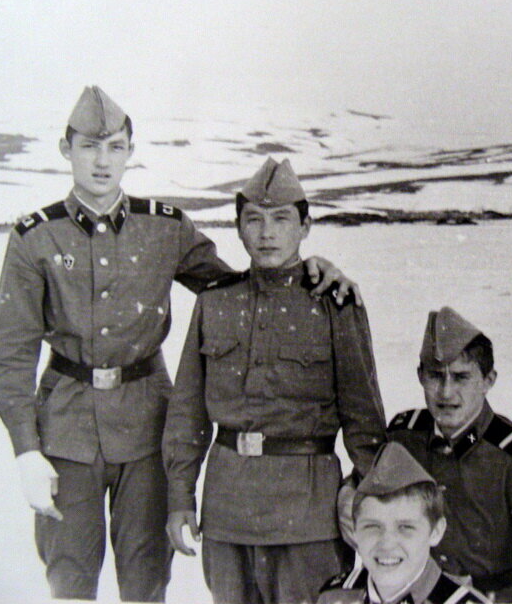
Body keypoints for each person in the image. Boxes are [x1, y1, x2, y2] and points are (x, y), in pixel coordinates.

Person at [0, 86, 357, 602]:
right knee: (68, 577)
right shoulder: (35, 238)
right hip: (65, 433)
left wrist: (311, 271)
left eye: (114, 147)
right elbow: (11, 358)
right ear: (65, 150)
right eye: (89, 147)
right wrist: (26, 450)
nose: (101, 161)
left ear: (130, 153)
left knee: (146, 580)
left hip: (147, 428)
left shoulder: (165, 228)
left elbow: (240, 290)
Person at [162, 156, 387, 604]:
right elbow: (188, 412)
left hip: (307, 513)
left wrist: (372, 505)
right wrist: (180, 496)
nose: (267, 233)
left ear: (305, 227)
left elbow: (364, 419)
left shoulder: (335, 304)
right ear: (239, 228)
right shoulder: (215, 304)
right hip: (227, 509)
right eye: (254, 220)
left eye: (282, 219)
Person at [342, 307, 512, 602]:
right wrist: (347, 493)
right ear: (420, 377)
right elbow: (361, 489)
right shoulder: (404, 437)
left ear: (489, 380)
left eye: (461, 377)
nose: (446, 392)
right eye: (435, 376)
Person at [319, 442, 490, 604]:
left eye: (405, 527)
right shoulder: (334, 598)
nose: (387, 543)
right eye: (372, 527)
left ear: (436, 532)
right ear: (354, 530)